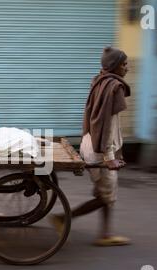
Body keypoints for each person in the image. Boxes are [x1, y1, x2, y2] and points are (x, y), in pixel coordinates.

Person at [52, 46, 131, 246]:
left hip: (90, 143)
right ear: (114, 66)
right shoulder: (114, 87)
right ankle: (64, 218)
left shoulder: (100, 81)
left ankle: (105, 234)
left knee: (104, 193)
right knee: (106, 196)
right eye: (124, 64)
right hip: (100, 149)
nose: (127, 68)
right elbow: (108, 126)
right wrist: (109, 156)